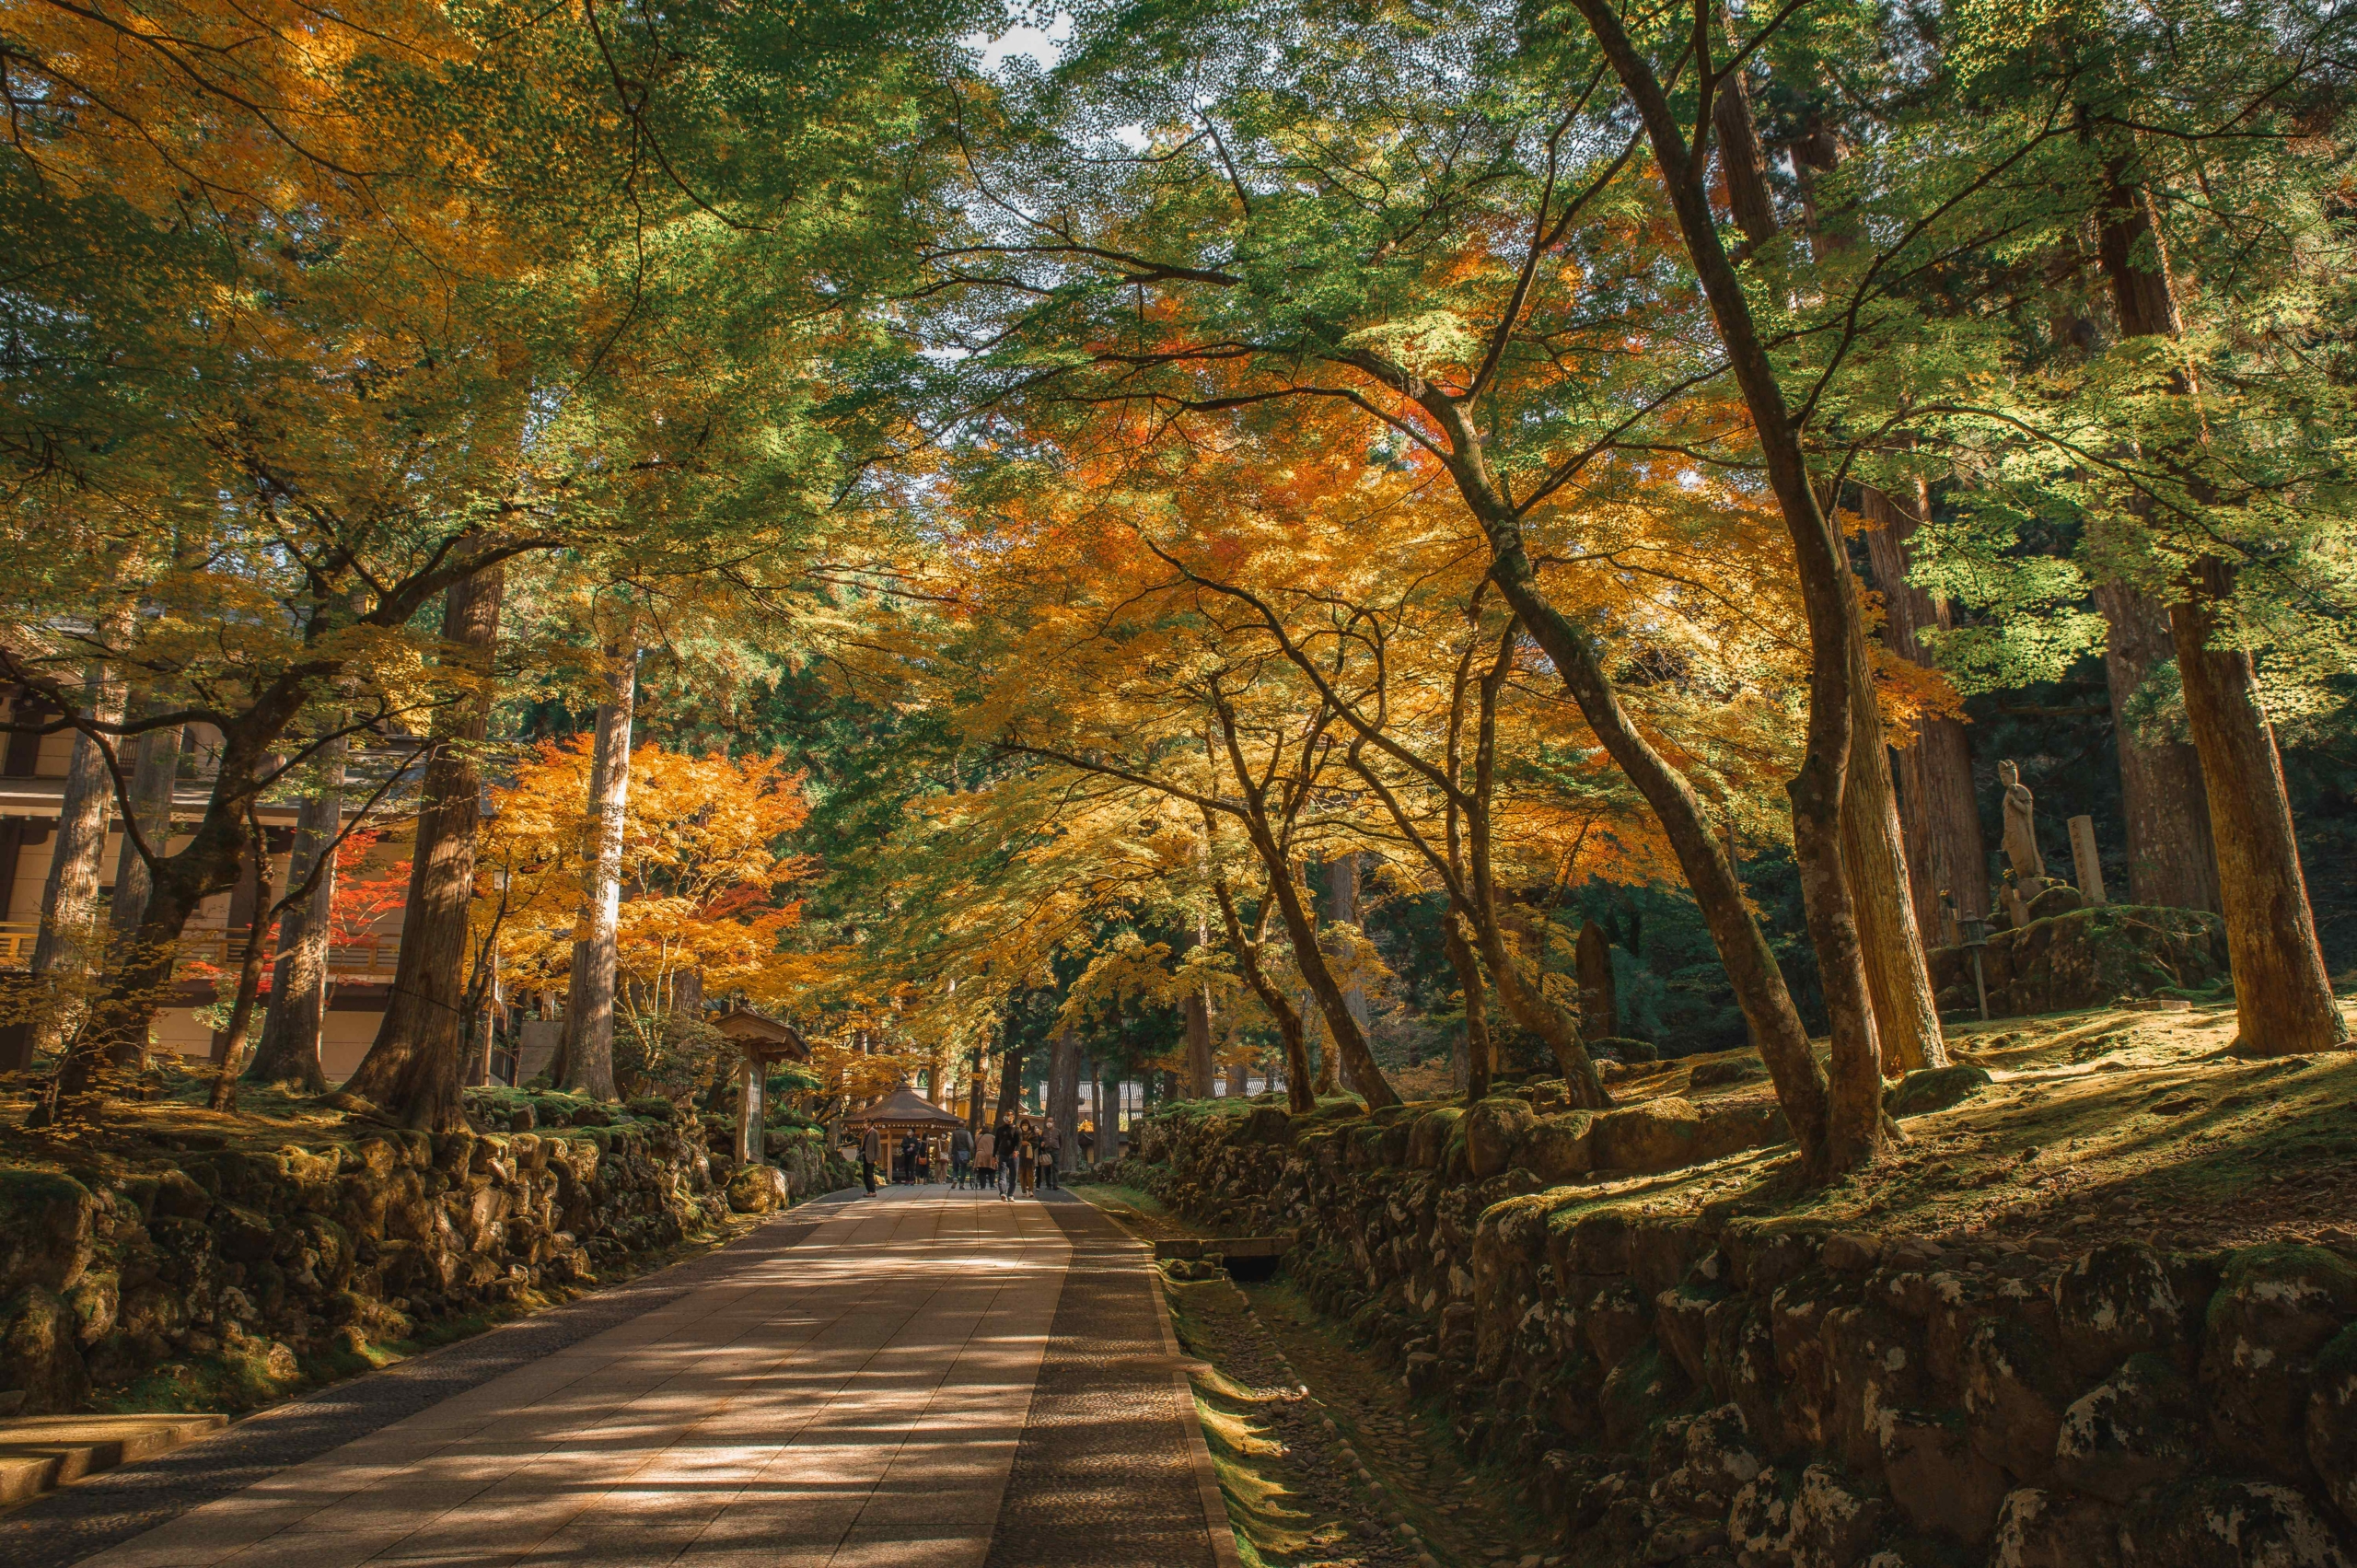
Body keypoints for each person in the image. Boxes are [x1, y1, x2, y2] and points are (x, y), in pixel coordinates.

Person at [973, 1124, 996, 1194]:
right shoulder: (993, 1137)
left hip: (980, 1155)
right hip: (990, 1155)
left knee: (982, 1171)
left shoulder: (977, 1137)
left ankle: (983, 1186)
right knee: (992, 1170)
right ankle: (992, 1185)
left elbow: (975, 1146)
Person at [1040, 1118, 1062, 1191]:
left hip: (1055, 1151)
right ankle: (1048, 1185)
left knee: (1055, 1168)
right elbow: (1042, 1141)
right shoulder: (1044, 1132)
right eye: (1048, 1122)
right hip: (1046, 1151)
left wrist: (1058, 1149)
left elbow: (1060, 1142)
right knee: (1047, 1168)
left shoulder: (1058, 1131)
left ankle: (1055, 1185)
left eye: (1050, 1122)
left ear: (1053, 1123)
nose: (1049, 1123)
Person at [859, 1124, 880, 1195]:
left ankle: (872, 1191)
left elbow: (878, 1145)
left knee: (869, 1173)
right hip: (865, 1155)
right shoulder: (865, 1133)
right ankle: (869, 1190)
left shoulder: (874, 1132)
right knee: (865, 1173)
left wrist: (877, 1157)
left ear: (870, 1123)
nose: (864, 1124)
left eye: (866, 1123)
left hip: (871, 1156)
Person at [951, 1123, 974, 1189]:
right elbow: (971, 1144)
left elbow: (951, 1144)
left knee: (955, 1168)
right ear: (964, 1126)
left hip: (956, 1152)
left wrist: (950, 1153)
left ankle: (955, 1178)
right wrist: (971, 1151)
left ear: (958, 1126)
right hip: (965, 1152)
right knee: (963, 1169)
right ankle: (961, 1184)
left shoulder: (954, 1133)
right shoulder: (967, 1133)